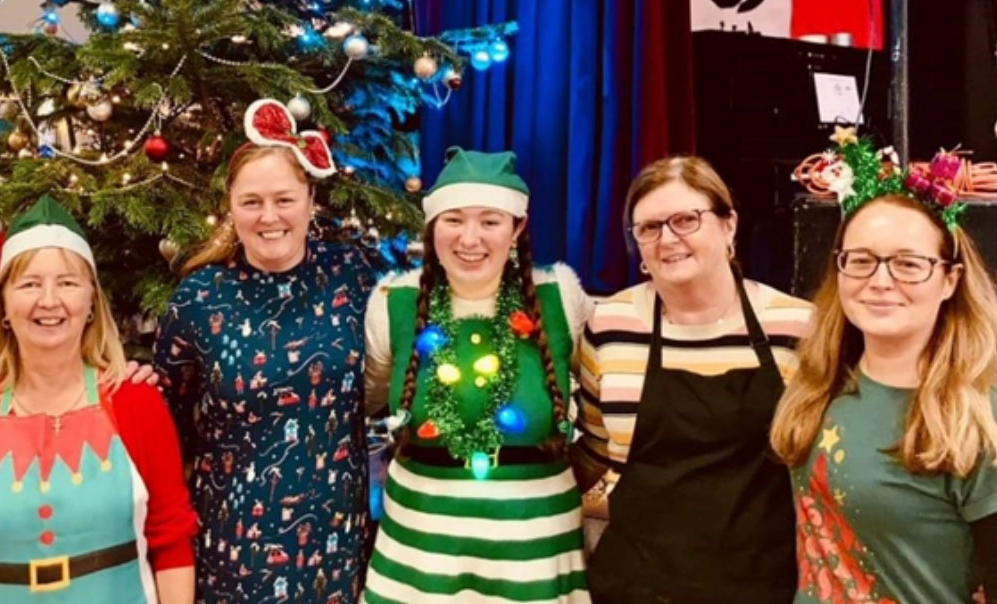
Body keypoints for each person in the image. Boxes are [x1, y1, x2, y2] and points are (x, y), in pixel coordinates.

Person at [0, 195, 197, 603]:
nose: (48, 300)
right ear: (3, 304)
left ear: (91, 302)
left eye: (67, 282)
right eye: (29, 284)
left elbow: (171, 540)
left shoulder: (135, 402)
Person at [154, 99, 374, 603]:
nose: (269, 216)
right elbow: (168, 419)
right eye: (251, 202)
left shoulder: (352, 275)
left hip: (336, 540)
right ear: (231, 205)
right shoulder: (200, 296)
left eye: (284, 199)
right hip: (233, 546)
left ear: (311, 199)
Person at [576, 156, 812, 603]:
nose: (668, 239)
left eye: (686, 220)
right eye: (649, 227)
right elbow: (592, 450)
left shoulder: (796, 327)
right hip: (635, 586)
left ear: (729, 226)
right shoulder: (609, 325)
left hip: (763, 585)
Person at [771, 138, 997, 604]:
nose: (880, 281)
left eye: (908, 264)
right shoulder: (819, 384)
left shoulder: (977, 414)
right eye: (861, 261)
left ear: (949, 279)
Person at [361, 148, 592, 603]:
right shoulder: (393, 301)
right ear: (431, 228)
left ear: (517, 228)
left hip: (535, 561)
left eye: (490, 221)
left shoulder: (561, 295)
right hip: (418, 561)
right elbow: (369, 397)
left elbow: (599, 395)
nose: (470, 238)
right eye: (453, 220)